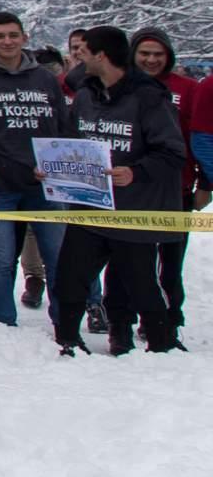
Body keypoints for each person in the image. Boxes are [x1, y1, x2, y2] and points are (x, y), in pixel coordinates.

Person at [54, 26, 186, 355]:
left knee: (139, 282)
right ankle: (67, 340)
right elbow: (71, 142)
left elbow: (172, 152)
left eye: (82, 52)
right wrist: (55, 167)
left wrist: (135, 172)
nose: (76, 58)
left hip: (132, 207)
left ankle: (161, 344)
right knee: (70, 277)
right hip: (90, 205)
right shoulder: (85, 94)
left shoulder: (148, 98)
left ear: (101, 56)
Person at [0, 12, 71, 329]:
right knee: (0, 258)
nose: (7, 41)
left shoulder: (46, 79)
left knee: (58, 257)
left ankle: (65, 320)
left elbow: (62, 126)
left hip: (44, 183)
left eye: (13, 35)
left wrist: (60, 165)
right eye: (0, 36)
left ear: (24, 37)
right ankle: (3, 320)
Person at [131, 27, 195, 334]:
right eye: (145, 54)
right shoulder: (121, 86)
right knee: (130, 258)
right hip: (131, 187)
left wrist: (204, 184)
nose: (151, 60)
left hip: (175, 187)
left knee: (171, 261)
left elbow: (198, 136)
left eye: (158, 54)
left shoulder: (187, 88)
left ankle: (170, 316)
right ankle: (127, 314)